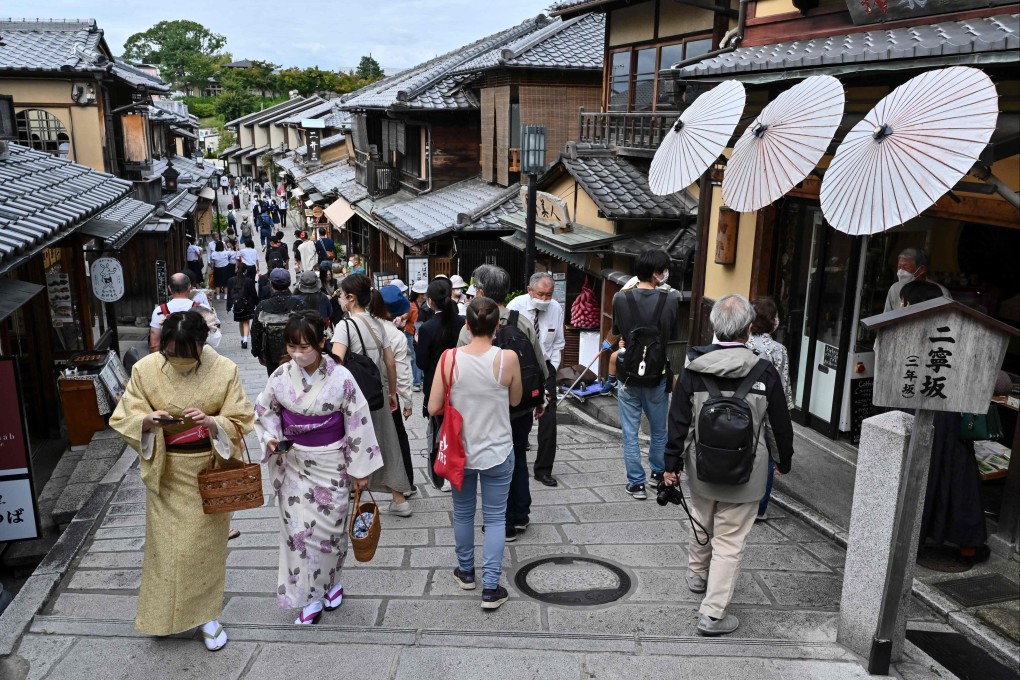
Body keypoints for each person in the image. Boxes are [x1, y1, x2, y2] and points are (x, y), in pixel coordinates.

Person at [110, 310, 254, 650]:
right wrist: (147, 420)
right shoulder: (145, 369)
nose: (175, 358)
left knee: (202, 549)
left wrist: (212, 421)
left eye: (184, 352)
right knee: (167, 552)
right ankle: (163, 616)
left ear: (202, 345)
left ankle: (208, 616)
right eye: (169, 352)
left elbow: (241, 417)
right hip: (167, 472)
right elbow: (124, 414)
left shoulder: (224, 369)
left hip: (207, 471)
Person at [663, 294, 794, 637]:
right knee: (730, 541)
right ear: (749, 329)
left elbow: (678, 423)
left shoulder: (692, 369)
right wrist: (784, 460)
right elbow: (780, 424)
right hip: (748, 473)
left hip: (701, 468)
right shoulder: (764, 371)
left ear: (713, 327)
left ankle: (696, 574)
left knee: (702, 517)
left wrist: (670, 464)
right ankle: (712, 614)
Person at [254, 311, 382, 625]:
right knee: (299, 534)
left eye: (304, 347)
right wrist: (270, 438)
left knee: (330, 534)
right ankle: (308, 598)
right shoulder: (281, 375)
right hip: (294, 463)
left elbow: (357, 421)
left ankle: (332, 581)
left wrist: (360, 468)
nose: (297, 354)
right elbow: (265, 410)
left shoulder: (341, 377)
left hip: (332, 464)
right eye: (292, 347)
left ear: (322, 342)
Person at [429, 296, 522, 610]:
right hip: (497, 449)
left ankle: (466, 572)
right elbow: (515, 400)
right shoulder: (506, 359)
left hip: (460, 451)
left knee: (464, 512)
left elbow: (432, 407)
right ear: (497, 327)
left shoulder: (449, 358)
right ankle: (491, 587)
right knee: (495, 518)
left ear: (466, 326)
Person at [900, 280, 990, 566]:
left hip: (921, 414)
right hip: (954, 417)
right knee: (957, 480)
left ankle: (913, 539)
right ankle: (966, 545)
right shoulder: (961, 334)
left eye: (905, 302)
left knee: (920, 477)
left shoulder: (908, 333)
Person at [458, 265, 548, 541]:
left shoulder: (470, 327)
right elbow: (539, 364)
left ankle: (501, 520)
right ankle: (519, 514)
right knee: (518, 455)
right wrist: (541, 398)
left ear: (481, 292)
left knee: (492, 462)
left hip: (485, 411)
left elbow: (460, 370)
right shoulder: (521, 321)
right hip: (519, 406)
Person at [331, 274, 414, 515]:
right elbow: (390, 362)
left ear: (351, 297)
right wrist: (391, 393)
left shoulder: (344, 326)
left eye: (340, 294)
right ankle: (400, 499)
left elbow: (336, 363)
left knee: (349, 443)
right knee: (387, 443)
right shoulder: (378, 324)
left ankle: (344, 496)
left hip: (352, 398)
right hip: (376, 393)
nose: (338, 298)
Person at [610, 249, 681, 500]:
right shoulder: (671, 299)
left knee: (630, 432)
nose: (665, 274)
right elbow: (672, 332)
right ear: (656, 273)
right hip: (657, 374)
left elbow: (617, 331)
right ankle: (658, 475)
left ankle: (636, 484)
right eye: (664, 269)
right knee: (659, 430)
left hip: (628, 373)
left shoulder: (620, 298)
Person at [508, 272, 565, 487]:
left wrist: (552, 369)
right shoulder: (516, 306)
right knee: (516, 414)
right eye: (540, 294)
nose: (544, 300)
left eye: (548, 295)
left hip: (546, 368)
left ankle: (543, 469)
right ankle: (512, 460)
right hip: (520, 368)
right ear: (529, 290)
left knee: (549, 418)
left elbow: (558, 342)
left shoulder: (556, 309)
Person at [745, 296, 794, 521]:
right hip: (768, 406)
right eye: (776, 316)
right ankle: (759, 508)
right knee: (766, 456)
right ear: (771, 320)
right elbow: (782, 387)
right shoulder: (778, 349)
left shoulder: (741, 343)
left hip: (743, 406)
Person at [416, 279, 465, 492]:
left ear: (430, 301)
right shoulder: (462, 322)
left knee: (439, 427)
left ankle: (444, 471)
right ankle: (459, 466)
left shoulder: (427, 328)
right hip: (460, 381)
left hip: (436, 383)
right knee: (457, 426)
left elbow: (421, 363)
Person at [380, 285, 416, 489]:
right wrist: (408, 402)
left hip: (361, 392)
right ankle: (406, 482)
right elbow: (402, 372)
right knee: (398, 436)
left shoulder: (361, 326)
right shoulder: (396, 336)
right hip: (388, 393)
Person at [251, 269, 303, 377]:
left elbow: (256, 331)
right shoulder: (297, 304)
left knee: (275, 383)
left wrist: (258, 353)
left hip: (271, 354)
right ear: (289, 283)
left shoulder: (263, 306)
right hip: (295, 353)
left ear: (271, 283)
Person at [148, 273, 205, 352]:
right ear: (189, 287)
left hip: (170, 357)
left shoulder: (159, 311)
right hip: (195, 357)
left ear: (169, 288)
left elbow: (154, 345)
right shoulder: (201, 308)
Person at [883, 247, 951, 312]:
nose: (901, 272)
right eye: (899, 267)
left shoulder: (941, 292)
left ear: (921, 269)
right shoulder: (894, 288)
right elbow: (885, 317)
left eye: (905, 268)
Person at [227, 263, 259, 349]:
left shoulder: (231, 280)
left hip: (237, 305)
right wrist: (257, 304)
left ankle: (242, 339)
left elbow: (229, 294)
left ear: (237, 269)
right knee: (246, 322)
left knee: (241, 322)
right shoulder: (249, 281)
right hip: (247, 304)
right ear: (246, 271)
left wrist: (228, 307)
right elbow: (253, 294)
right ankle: (245, 340)